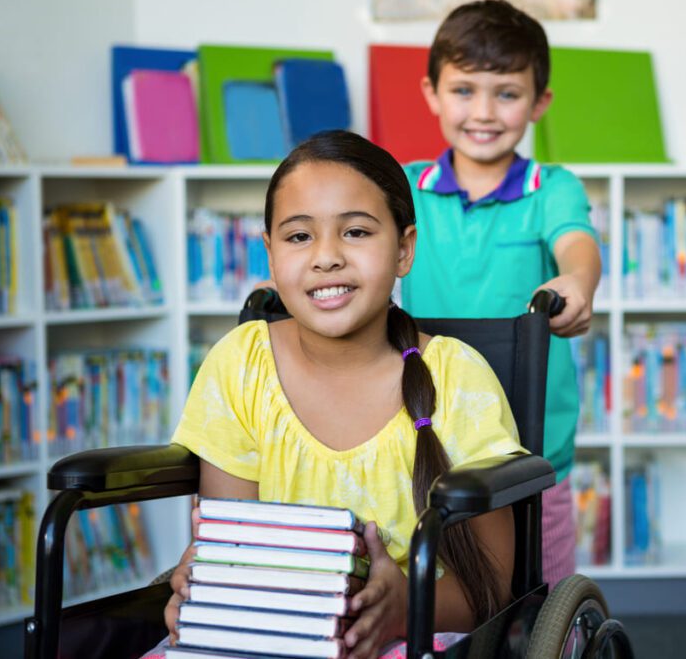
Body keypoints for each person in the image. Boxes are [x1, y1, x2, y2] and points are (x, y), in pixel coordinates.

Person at [155, 130, 524, 659]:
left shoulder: (458, 378)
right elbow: (235, 550)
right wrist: (209, 594)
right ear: (270, 252)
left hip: (413, 638)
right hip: (271, 636)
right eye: (299, 237)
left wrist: (404, 605)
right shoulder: (241, 364)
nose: (326, 258)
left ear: (403, 249)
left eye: (355, 231)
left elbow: (488, 591)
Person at [404, 0, 602, 589]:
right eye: (463, 90)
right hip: (423, 436)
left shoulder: (552, 188)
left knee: (540, 599)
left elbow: (578, 245)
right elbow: (352, 237)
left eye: (507, 93)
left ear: (539, 101)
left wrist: (578, 283)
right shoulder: (405, 185)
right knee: (430, 595)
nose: (484, 112)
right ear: (432, 93)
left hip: (531, 447)